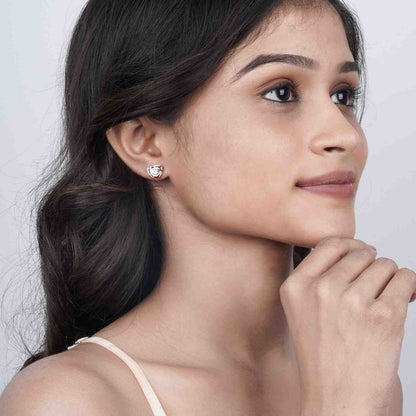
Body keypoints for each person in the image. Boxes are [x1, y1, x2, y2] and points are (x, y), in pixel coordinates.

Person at [0, 0, 412, 415]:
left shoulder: (356, 372)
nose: (345, 136)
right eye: (281, 92)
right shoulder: (68, 401)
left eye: (343, 95)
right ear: (145, 142)